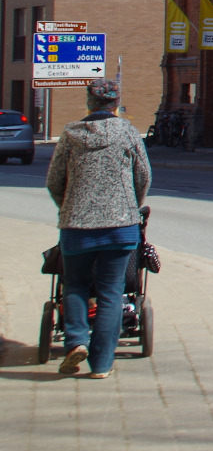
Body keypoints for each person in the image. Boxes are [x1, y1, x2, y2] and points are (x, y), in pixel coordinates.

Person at [45, 79, 150, 379]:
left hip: (77, 226)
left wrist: (67, 206)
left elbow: (55, 180)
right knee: (110, 292)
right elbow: (143, 176)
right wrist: (131, 206)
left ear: (89, 102)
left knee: (75, 285)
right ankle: (102, 365)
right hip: (120, 227)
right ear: (115, 104)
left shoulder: (70, 134)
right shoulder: (128, 132)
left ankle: (77, 340)